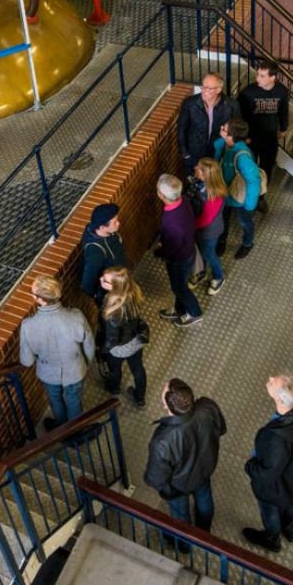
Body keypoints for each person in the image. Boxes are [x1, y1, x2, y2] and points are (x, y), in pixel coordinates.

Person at [242, 374, 293, 552]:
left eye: (273, 382)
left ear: (280, 399)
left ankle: (272, 540)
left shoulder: (275, 439)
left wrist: (249, 466)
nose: (270, 377)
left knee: (270, 510)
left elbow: (268, 473)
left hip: (274, 487)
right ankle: (290, 531)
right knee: (291, 502)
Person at [144, 378, 227, 536]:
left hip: (178, 486)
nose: (164, 386)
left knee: (180, 515)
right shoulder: (207, 406)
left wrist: (168, 491)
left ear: (167, 406)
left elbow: (156, 478)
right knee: (205, 501)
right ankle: (204, 531)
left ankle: (183, 543)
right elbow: (221, 429)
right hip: (204, 470)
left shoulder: (162, 441)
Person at [17, 275, 95, 430]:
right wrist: (85, 364)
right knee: (74, 401)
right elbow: (89, 346)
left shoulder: (28, 326)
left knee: (55, 400)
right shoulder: (76, 316)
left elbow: (27, 361)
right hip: (75, 369)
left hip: (48, 373)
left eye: (32, 293)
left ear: (40, 300)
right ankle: (76, 430)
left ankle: (61, 428)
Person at [237, 62, 289, 213]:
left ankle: (261, 198)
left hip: (270, 138)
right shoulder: (248, 92)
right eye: (258, 74)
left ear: (273, 77)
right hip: (251, 139)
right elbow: (240, 117)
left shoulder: (281, 91)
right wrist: (243, 137)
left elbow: (283, 111)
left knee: (267, 169)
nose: (257, 78)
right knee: (249, 169)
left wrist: (283, 128)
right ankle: (247, 197)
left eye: (262, 76)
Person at [153, 174, 202, 326]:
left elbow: (172, 249)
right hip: (188, 249)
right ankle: (179, 309)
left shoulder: (172, 221)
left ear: (161, 195)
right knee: (180, 285)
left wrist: (159, 251)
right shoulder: (183, 202)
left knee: (179, 288)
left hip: (179, 259)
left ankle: (195, 313)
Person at [97, 265, 148, 408]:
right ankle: (140, 398)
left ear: (116, 287)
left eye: (105, 280)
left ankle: (114, 387)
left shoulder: (113, 309)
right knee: (138, 369)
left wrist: (104, 351)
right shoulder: (133, 292)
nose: (101, 279)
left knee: (115, 369)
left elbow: (112, 338)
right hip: (136, 341)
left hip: (118, 348)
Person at [215, 119, 262, 259]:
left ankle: (247, 243)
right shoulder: (227, 145)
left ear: (231, 137)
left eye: (224, 129)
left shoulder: (242, 156)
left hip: (241, 199)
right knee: (223, 219)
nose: (221, 128)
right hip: (226, 193)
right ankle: (222, 241)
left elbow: (254, 180)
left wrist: (249, 205)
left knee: (245, 222)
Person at [177, 72, 235, 176]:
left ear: (218, 89)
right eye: (203, 86)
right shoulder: (190, 103)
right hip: (194, 155)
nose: (204, 91)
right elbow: (182, 128)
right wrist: (184, 153)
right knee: (193, 184)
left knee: (213, 184)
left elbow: (236, 130)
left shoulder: (231, 106)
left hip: (217, 155)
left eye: (209, 88)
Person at [189, 158, 226, 295]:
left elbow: (206, 219)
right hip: (198, 228)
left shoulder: (214, 195)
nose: (195, 168)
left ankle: (219, 276)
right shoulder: (200, 183)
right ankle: (202, 272)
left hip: (209, 232)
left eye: (198, 168)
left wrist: (189, 225)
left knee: (208, 254)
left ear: (205, 175)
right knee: (201, 251)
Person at [78, 203, 125, 307]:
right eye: (114, 222)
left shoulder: (110, 234)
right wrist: (98, 295)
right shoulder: (95, 250)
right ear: (102, 227)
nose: (118, 223)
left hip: (119, 283)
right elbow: (88, 281)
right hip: (109, 293)